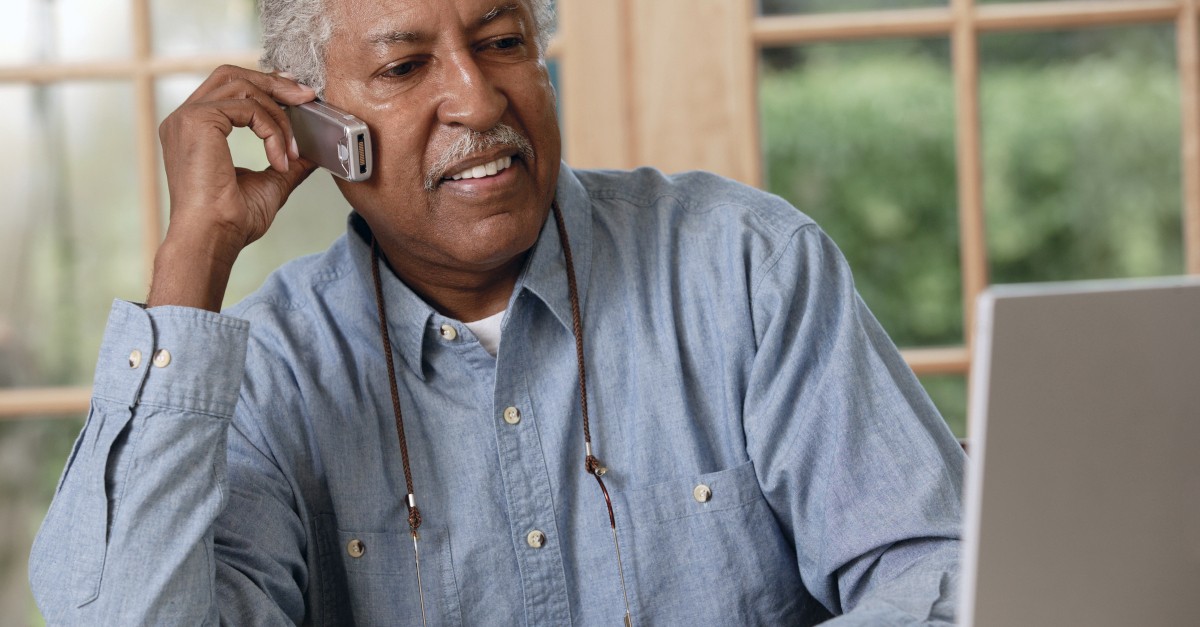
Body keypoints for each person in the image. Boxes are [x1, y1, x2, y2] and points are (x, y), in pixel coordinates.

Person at [28, 0, 965, 624]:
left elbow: (940, 575)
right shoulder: (275, 373)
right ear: (318, 129)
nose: (477, 98)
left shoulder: (745, 265)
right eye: (404, 67)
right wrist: (197, 248)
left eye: (503, 42)